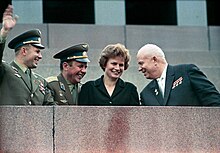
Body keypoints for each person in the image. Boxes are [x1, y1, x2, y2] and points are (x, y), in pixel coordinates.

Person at [0, 5, 55, 105]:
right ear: (24, 51)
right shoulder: (4, 71)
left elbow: (52, 109)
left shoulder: (40, 81)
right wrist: (4, 32)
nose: (40, 56)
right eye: (37, 51)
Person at [137, 43, 220, 106]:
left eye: (141, 63)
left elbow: (213, 101)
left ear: (154, 60)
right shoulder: (146, 94)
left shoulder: (186, 72)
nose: (139, 69)